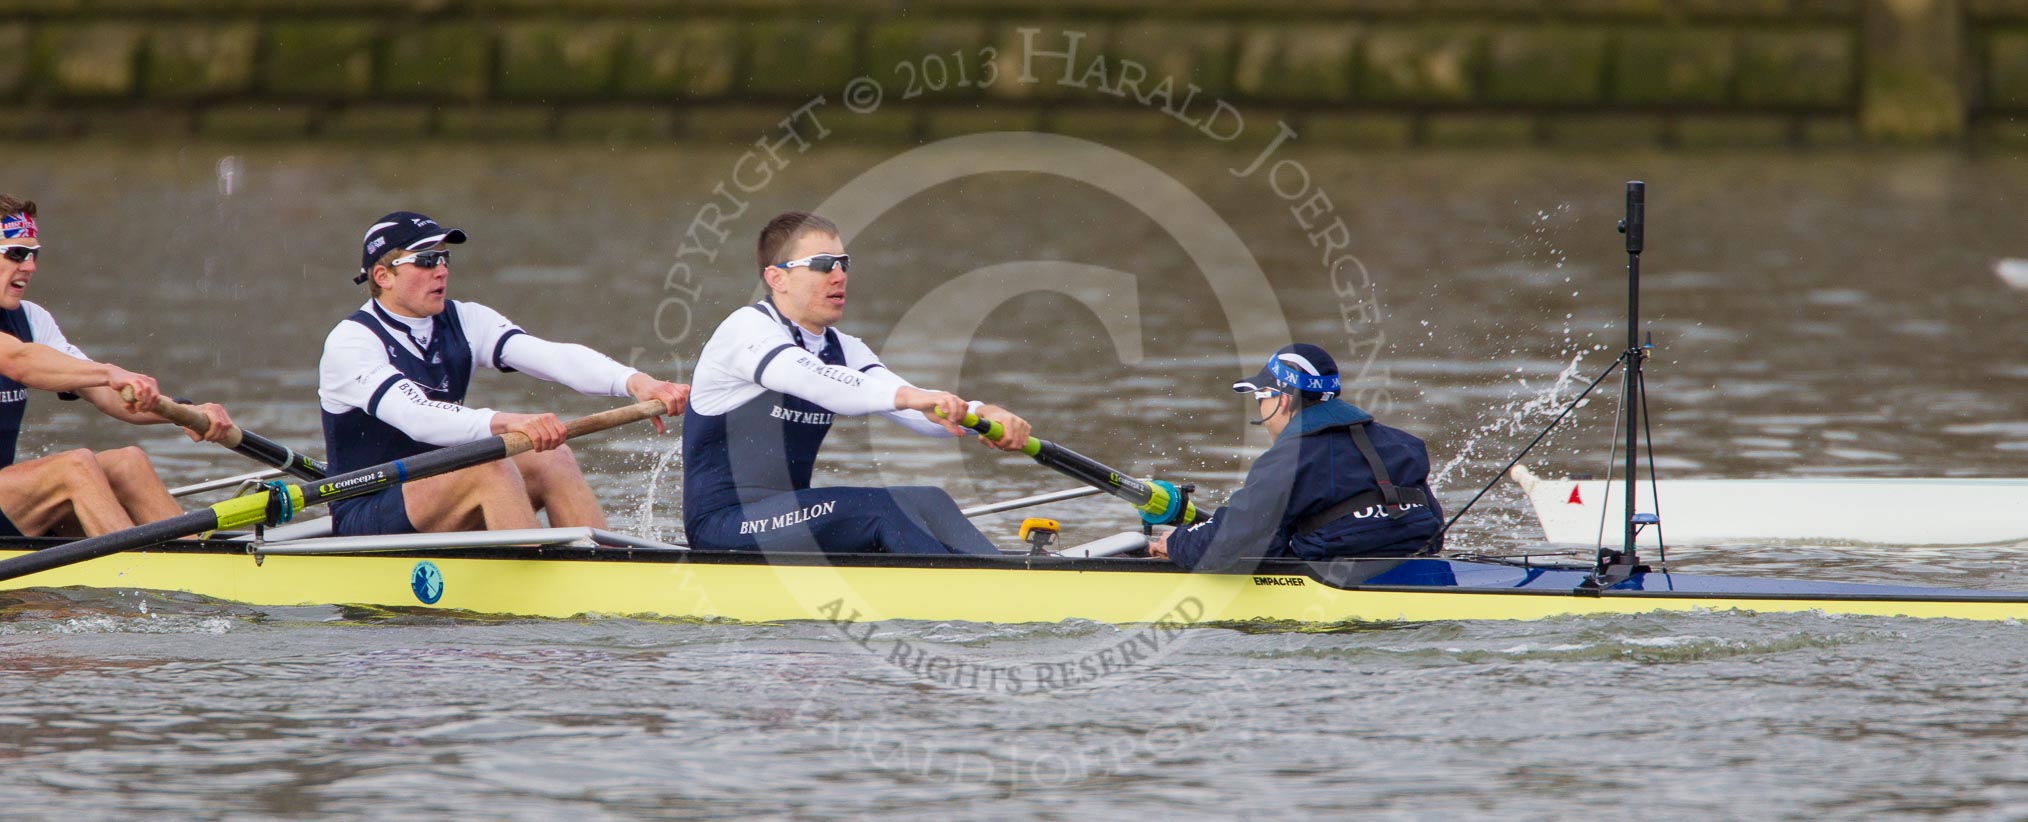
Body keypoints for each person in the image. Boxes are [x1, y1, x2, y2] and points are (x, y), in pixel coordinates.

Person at [682, 211, 1032, 555]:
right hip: (725, 526)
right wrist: (911, 397)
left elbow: (916, 412)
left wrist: (981, 415)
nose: (838, 276)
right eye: (822, 264)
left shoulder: (843, 348)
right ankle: (969, 596)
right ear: (777, 279)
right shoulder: (745, 330)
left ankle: (1006, 580)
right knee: (881, 509)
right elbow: (817, 381)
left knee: (930, 499)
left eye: (843, 263)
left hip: (791, 514)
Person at [318, 211, 689, 536]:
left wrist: (636, 382)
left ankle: (601, 574)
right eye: (427, 260)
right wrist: (510, 422)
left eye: (444, 258)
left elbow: (554, 357)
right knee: (489, 466)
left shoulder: (466, 320)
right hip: (368, 508)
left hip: (443, 491)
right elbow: (417, 417)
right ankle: (536, 599)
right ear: (383, 276)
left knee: (551, 456)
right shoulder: (351, 343)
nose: (442, 269)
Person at [0, 194, 238, 538]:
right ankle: (143, 575)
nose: (30, 266)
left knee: (129, 462)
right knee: (74, 467)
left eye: (34, 254)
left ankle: (199, 563)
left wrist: (187, 411)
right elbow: (18, 361)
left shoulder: (32, 319)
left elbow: (111, 395)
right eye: (16, 254)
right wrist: (110, 372)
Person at [1151, 343, 1442, 569]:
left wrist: (1177, 543)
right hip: (1416, 568)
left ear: (1284, 399)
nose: (1261, 409)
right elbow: (1434, 524)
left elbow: (1233, 542)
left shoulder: (1289, 460)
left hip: (1335, 586)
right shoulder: (1402, 444)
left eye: (1261, 397)